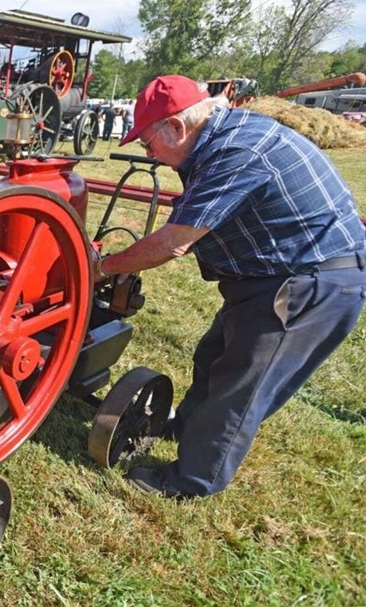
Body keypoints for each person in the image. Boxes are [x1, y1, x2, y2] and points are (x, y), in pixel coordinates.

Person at [100, 74, 366, 498]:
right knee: (214, 357)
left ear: (176, 127)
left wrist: (103, 268)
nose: (149, 154)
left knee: (241, 385)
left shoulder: (239, 151)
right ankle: (186, 429)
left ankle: (191, 481)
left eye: (148, 144)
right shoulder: (227, 136)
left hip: (311, 281)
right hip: (273, 273)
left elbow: (173, 243)